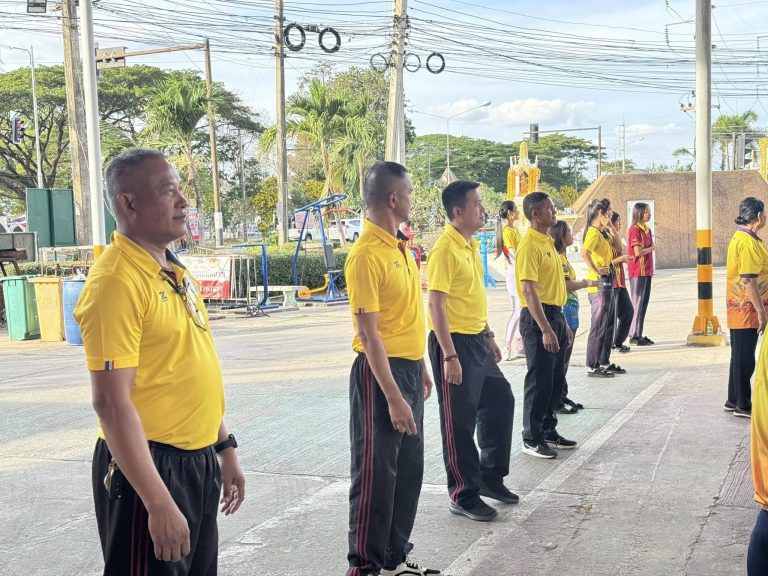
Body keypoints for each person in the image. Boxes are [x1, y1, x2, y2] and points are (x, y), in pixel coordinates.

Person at [73, 148, 245, 576]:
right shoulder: (116, 281)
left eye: (180, 189)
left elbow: (184, 367)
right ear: (129, 203)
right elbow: (110, 402)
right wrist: (157, 500)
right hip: (150, 466)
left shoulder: (173, 270)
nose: (183, 201)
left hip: (196, 460)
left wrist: (224, 447)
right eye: (168, 190)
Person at [344, 161, 442, 576]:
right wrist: (393, 396)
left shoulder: (401, 249)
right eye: (410, 193)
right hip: (379, 375)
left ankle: (392, 558)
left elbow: (403, 319)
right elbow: (369, 336)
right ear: (392, 198)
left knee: (408, 469)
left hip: (406, 369)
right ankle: (364, 566)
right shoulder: (366, 255)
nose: (413, 200)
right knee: (376, 475)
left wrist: (420, 365)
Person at [427, 180, 516, 523]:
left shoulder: (469, 245)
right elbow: (436, 306)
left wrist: (489, 335)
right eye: (477, 204)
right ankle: (463, 494)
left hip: (476, 338)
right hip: (453, 343)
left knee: (500, 399)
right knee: (458, 421)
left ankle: (490, 477)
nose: (483, 209)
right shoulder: (444, 250)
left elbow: (470, 298)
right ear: (458, 211)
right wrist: (449, 356)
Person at [516, 192, 577, 459]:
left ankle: (548, 430)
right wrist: (545, 329)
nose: (554, 212)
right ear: (535, 214)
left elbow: (554, 286)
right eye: (549, 208)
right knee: (539, 380)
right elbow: (529, 291)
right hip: (537, 317)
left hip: (555, 314)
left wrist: (561, 324)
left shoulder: (548, 242)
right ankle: (531, 438)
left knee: (555, 379)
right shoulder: (529, 245)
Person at [725, 197, 768, 419]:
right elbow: (749, 280)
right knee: (745, 358)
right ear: (759, 216)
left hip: (740, 306)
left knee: (739, 355)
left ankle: (733, 399)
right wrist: (761, 312)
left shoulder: (744, 237)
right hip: (747, 308)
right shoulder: (748, 242)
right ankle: (743, 404)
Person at [581, 198, 630, 377]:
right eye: (609, 211)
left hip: (609, 280)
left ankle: (603, 361)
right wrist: (597, 270)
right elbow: (584, 253)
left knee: (608, 325)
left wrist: (610, 227)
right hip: (598, 284)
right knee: (598, 326)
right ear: (600, 213)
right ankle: (592, 365)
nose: (611, 214)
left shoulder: (603, 232)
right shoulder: (593, 232)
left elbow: (619, 247)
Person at [548, 220, 592, 414]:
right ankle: (556, 399)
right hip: (566, 308)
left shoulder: (562, 257)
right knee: (562, 358)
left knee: (564, 359)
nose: (572, 235)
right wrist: (586, 283)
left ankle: (561, 394)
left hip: (570, 307)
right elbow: (566, 285)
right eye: (569, 232)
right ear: (561, 235)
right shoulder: (559, 258)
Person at [495, 200, 524, 360]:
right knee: (518, 310)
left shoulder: (514, 230)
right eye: (516, 210)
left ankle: (519, 343)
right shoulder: (507, 232)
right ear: (510, 214)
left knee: (521, 309)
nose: (518, 212)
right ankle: (507, 346)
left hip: (519, 270)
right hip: (514, 272)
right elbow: (513, 255)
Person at [627, 202, 656, 346]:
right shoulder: (635, 230)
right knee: (637, 303)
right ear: (638, 213)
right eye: (646, 212)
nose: (648, 214)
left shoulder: (647, 230)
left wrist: (650, 248)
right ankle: (633, 334)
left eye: (648, 211)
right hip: (638, 271)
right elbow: (638, 252)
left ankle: (638, 333)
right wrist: (651, 248)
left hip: (647, 270)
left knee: (643, 303)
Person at [609, 212, 634, 354]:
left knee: (628, 312)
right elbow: (602, 263)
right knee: (612, 317)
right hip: (611, 283)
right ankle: (611, 345)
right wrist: (620, 259)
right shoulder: (604, 238)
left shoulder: (615, 237)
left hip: (620, 282)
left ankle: (617, 342)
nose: (620, 223)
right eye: (617, 221)